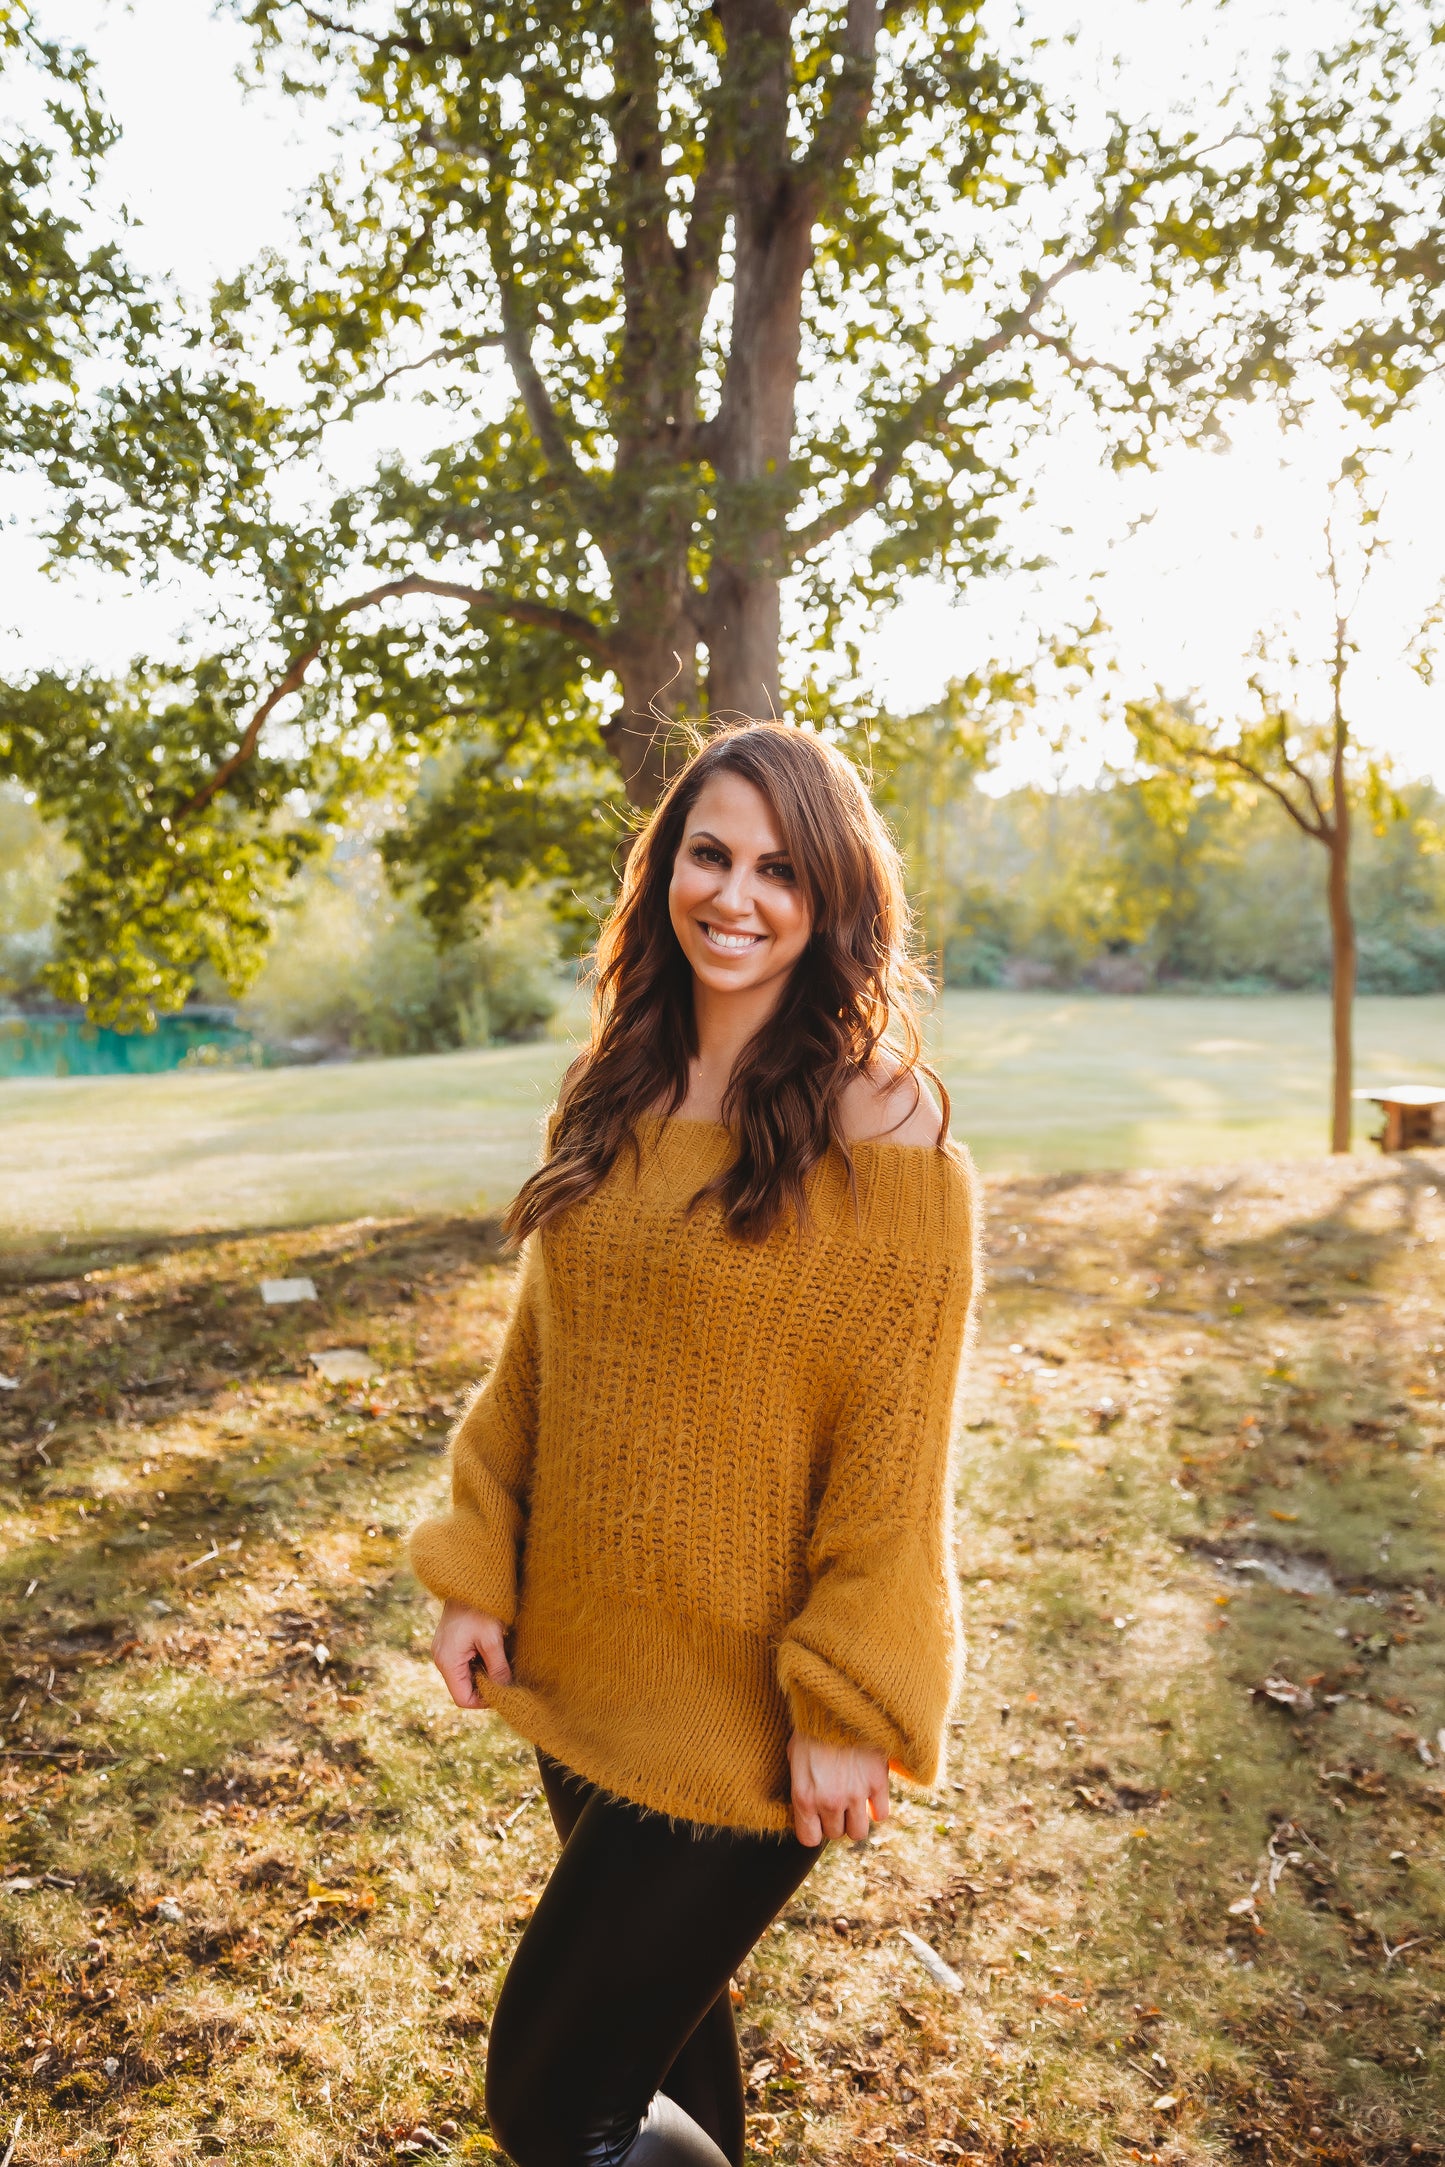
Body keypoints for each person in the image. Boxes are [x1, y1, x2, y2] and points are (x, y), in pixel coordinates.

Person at [409, 721, 980, 2167]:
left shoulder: (884, 1124)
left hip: (739, 1703)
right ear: (665, 864)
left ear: (835, 897)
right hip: (584, 1655)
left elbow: (892, 1451)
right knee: (660, 2050)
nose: (736, 895)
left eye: (781, 869)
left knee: (551, 2105)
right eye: (708, 854)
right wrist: (477, 1563)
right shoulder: (617, 1084)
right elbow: (545, 1353)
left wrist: (849, 1700)